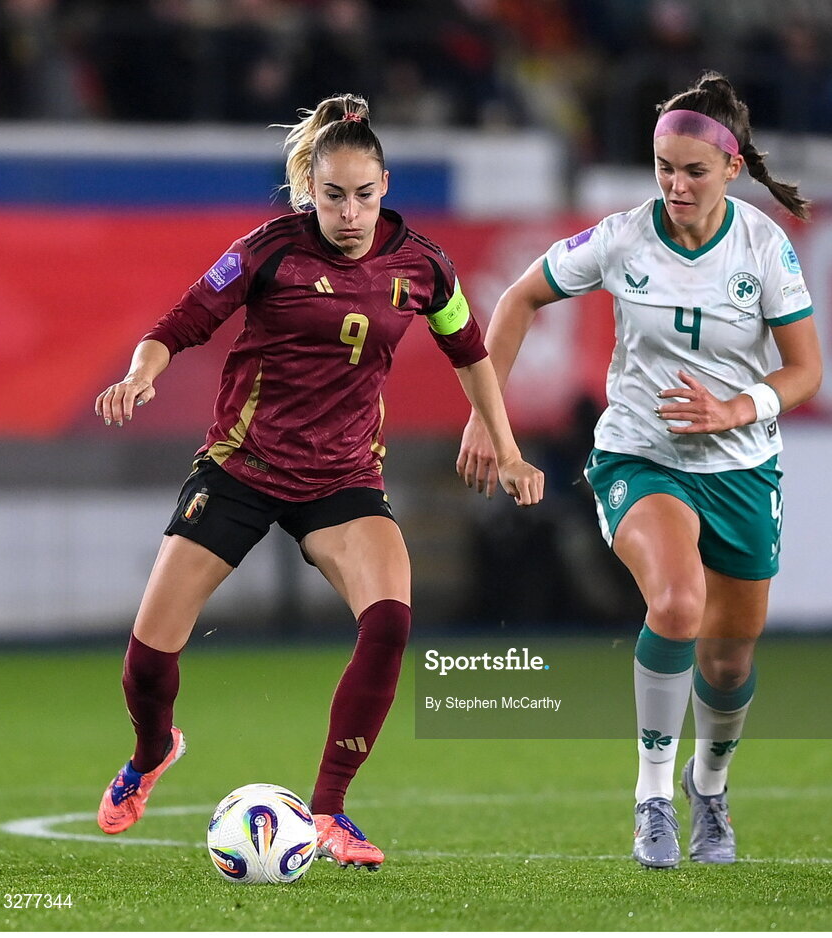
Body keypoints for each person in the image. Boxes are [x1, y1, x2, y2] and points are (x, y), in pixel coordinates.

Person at [94, 92, 544, 870]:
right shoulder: (269, 250)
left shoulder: (423, 267)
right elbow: (179, 325)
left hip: (341, 479)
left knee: (392, 621)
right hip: (241, 468)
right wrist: (141, 376)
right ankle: (151, 751)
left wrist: (505, 448)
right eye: (332, 195)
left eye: (364, 194)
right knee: (145, 660)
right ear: (310, 188)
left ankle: (331, 811)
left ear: (386, 185)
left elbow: (471, 353)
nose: (349, 211)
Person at [457, 71, 822, 869]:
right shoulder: (622, 237)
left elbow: (804, 370)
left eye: (694, 170)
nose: (676, 184)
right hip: (639, 456)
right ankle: (652, 796)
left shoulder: (763, 246)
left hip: (741, 471)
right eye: (663, 166)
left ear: (731, 167)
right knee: (678, 601)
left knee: (730, 659)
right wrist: (490, 420)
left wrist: (739, 408)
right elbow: (517, 299)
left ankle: (708, 788)